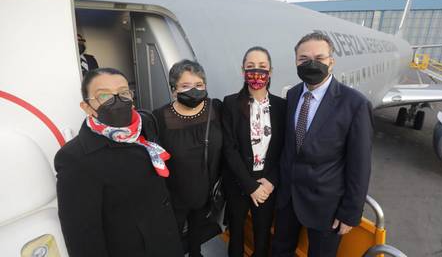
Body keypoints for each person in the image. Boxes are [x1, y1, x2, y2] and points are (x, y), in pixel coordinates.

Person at [55, 67, 183, 257]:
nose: (117, 101)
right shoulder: (75, 158)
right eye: (105, 96)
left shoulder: (145, 123)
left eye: (123, 93)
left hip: (168, 239)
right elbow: (83, 236)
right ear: (87, 107)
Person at [272, 32, 374, 257]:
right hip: (288, 198)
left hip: (326, 206)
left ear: (331, 62)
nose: (311, 63)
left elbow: (360, 164)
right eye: (303, 59)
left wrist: (350, 212)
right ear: (296, 62)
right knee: (280, 250)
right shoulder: (293, 94)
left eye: (319, 57)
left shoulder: (354, 104)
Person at [153, 59, 223, 257]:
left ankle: (195, 252)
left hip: (206, 187)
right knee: (171, 234)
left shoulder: (216, 108)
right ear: (173, 89)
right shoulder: (159, 117)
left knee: (197, 227)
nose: (194, 90)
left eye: (199, 85)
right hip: (174, 192)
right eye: (185, 86)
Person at [222, 47, 286, 257]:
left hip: (267, 183)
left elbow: (285, 149)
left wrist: (271, 181)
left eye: (262, 67)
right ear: (243, 71)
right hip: (239, 181)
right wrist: (249, 185)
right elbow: (229, 148)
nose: (256, 72)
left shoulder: (281, 106)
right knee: (237, 234)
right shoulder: (230, 103)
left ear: (271, 71)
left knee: (263, 234)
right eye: (250, 67)